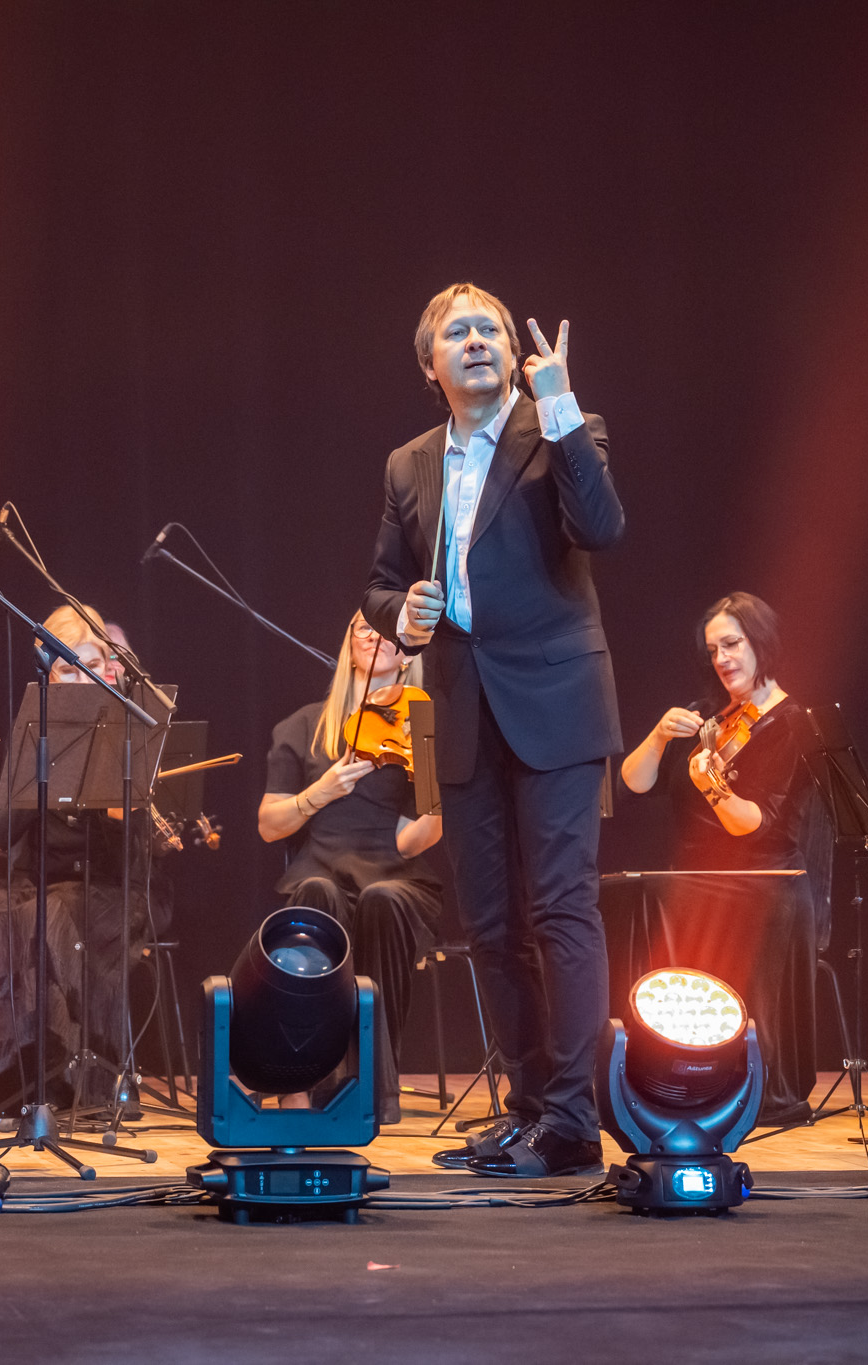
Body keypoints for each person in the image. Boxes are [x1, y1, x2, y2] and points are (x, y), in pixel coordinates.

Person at [363, 282, 625, 1177]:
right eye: (458, 332)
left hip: (556, 701)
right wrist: (404, 611)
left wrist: (561, 406)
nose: (477, 340)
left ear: (515, 354)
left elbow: (601, 527)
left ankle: (574, 1119)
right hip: (464, 707)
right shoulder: (409, 463)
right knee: (490, 923)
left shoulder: (560, 428)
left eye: (491, 330)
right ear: (429, 364)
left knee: (560, 907)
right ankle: (529, 1107)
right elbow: (379, 582)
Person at [620, 593, 833, 1122]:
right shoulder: (706, 715)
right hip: (695, 881)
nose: (722, 659)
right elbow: (634, 781)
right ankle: (676, 1083)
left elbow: (750, 823)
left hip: (762, 887)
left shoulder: (792, 722)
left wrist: (711, 785)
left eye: (732, 644)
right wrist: (658, 735)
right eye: (714, 649)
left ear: (762, 642)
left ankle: (750, 1090)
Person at [0, 604, 160, 1110]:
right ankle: (2, 1075)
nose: (82, 679)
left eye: (92, 666)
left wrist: (117, 802)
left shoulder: (128, 727)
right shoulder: (36, 730)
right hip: (38, 884)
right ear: (49, 674)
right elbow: (2, 832)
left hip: (109, 890)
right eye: (69, 669)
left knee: (51, 919)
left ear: (109, 668)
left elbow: (133, 856)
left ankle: (75, 1079)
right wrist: (44, 773)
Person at [259, 612, 444, 1120]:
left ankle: (373, 1088)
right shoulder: (304, 725)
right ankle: (306, 1079)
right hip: (320, 868)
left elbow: (412, 843)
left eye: (389, 631)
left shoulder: (423, 726)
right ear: (349, 644)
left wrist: (439, 799)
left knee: (384, 899)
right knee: (316, 893)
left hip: (396, 876)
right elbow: (270, 826)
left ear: (407, 652)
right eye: (364, 627)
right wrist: (320, 792)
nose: (375, 636)